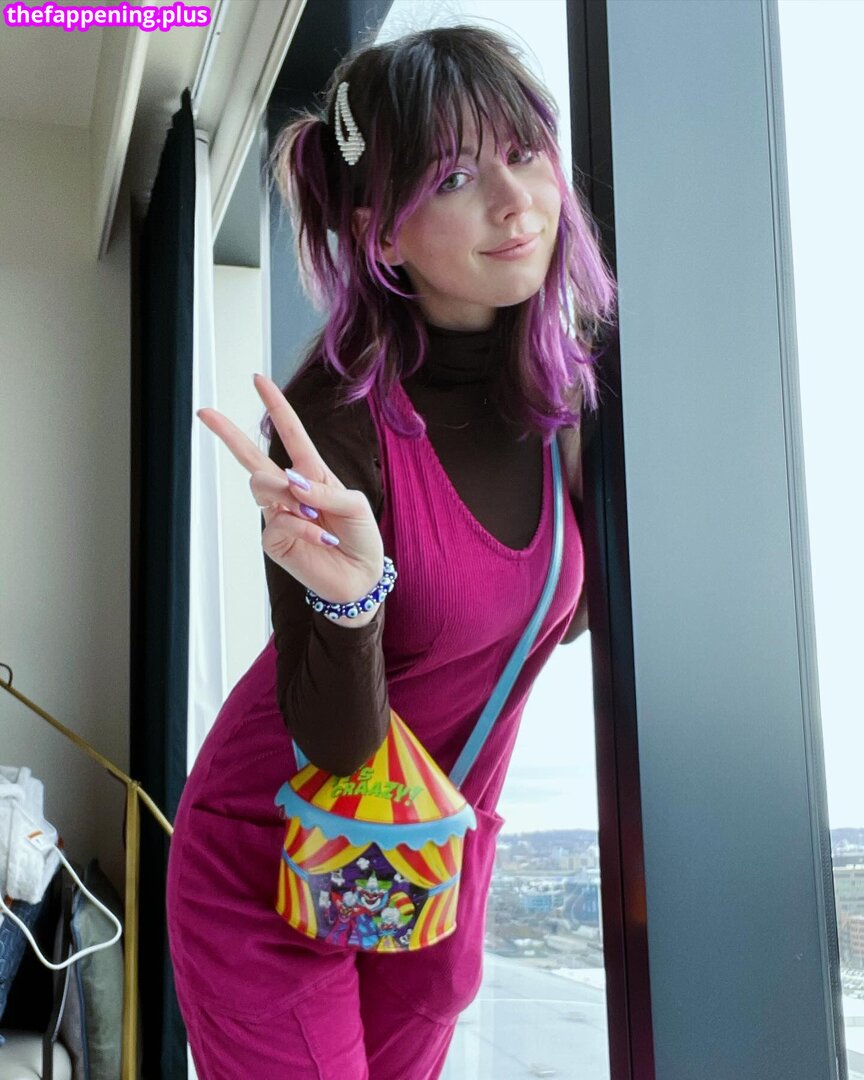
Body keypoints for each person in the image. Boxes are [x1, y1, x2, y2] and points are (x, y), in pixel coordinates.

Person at [166, 23, 617, 1080]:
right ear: (381, 232)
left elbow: (533, 619)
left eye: (525, 154)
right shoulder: (336, 423)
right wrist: (355, 595)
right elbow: (335, 743)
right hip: (274, 859)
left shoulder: (566, 392)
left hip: (428, 862)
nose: (516, 203)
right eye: (456, 177)